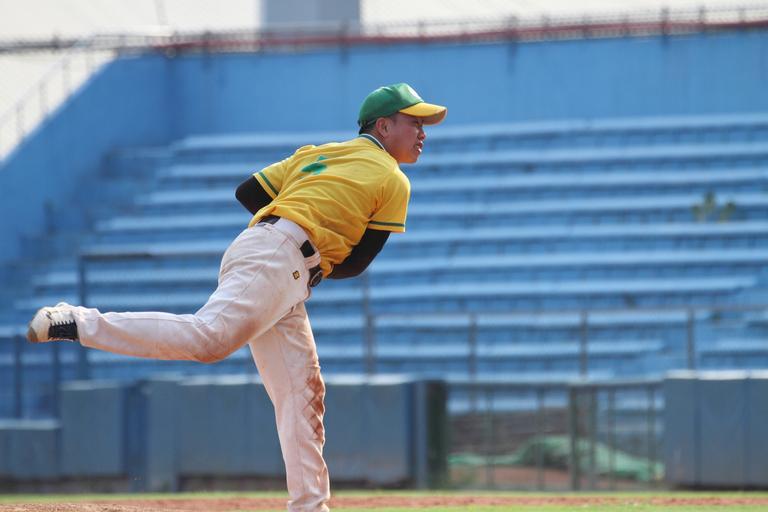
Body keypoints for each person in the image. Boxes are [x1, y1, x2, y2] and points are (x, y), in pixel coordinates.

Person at [26, 83, 446, 512]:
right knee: (209, 340)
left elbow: (248, 191)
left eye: (424, 124)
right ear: (383, 126)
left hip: (269, 254)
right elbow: (357, 262)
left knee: (301, 391)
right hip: (281, 262)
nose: (423, 132)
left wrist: (290, 224)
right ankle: (77, 321)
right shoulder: (393, 178)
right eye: (414, 122)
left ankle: (310, 505)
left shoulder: (316, 154)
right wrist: (305, 247)